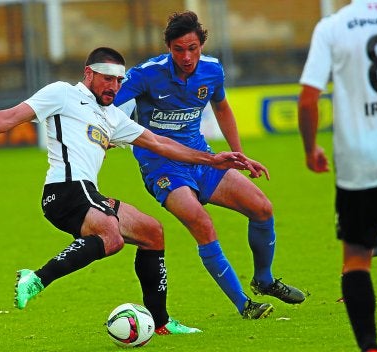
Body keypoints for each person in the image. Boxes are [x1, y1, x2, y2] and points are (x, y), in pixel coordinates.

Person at [0, 47, 264, 334]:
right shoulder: (63, 94)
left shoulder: (112, 117)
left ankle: (161, 323)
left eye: (119, 80)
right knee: (111, 236)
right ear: (89, 74)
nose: (114, 86)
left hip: (87, 193)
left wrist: (213, 159)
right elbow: (10, 117)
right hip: (64, 191)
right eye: (108, 78)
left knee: (152, 232)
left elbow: (160, 143)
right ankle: (35, 278)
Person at [113, 11, 306, 319]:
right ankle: (244, 304)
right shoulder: (146, 74)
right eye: (178, 49)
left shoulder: (212, 70)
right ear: (169, 48)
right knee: (202, 224)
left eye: (192, 48)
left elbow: (222, 106)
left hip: (202, 159)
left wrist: (238, 155)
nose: (186, 56)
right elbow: (108, 104)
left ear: (201, 44)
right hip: (162, 167)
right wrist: (108, 131)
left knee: (262, 208)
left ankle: (264, 279)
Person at [298, 1, 377, 350]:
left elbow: (309, 99)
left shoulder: (333, 26)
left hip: (360, 161)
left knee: (357, 258)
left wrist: (311, 150)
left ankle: (370, 347)